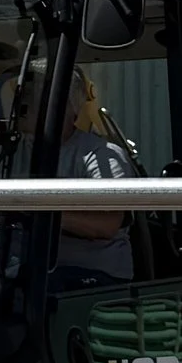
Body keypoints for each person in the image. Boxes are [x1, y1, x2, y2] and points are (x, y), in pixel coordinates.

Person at [50, 84, 137, 289]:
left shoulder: (101, 155)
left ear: (70, 108)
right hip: (21, 265)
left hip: (93, 272)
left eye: (32, 96)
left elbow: (106, 225)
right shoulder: (10, 152)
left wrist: (44, 215)